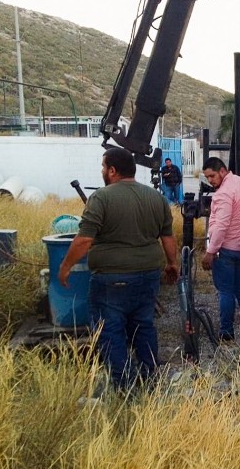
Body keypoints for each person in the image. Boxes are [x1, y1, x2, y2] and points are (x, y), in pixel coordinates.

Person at [58, 148, 178, 390]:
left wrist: (65, 266)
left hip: (111, 281)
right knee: (143, 326)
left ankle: (125, 387)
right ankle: (149, 380)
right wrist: (172, 264)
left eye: (104, 167)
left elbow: (83, 240)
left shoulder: (101, 198)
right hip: (148, 276)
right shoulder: (156, 198)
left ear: (112, 170)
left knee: (110, 331)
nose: (103, 172)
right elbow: (167, 237)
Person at [200, 157, 240, 341]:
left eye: (212, 176)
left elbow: (221, 225)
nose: (210, 180)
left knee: (225, 292)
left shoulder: (223, 193)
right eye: (207, 177)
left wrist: (210, 252)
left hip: (225, 249)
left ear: (222, 171)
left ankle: (226, 333)